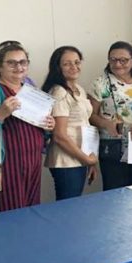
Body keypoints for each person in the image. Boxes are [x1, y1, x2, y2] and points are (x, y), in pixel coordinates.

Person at [0, 42, 55, 211]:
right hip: (6, 168)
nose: (19, 67)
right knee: (11, 219)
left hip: (32, 164)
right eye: (11, 62)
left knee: (31, 214)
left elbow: (34, 131)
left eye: (23, 62)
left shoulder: (30, 91)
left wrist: (48, 126)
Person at [88, 41, 132, 190]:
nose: (118, 64)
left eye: (123, 60)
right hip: (113, 147)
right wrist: (106, 124)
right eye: (113, 60)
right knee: (115, 192)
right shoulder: (101, 84)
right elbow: (90, 116)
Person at [43, 46, 97, 200]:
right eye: (67, 64)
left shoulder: (79, 89)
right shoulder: (59, 92)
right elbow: (59, 136)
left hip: (80, 157)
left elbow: (84, 124)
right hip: (66, 161)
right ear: (57, 67)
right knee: (68, 209)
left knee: (75, 207)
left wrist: (91, 160)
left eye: (77, 62)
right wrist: (86, 159)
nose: (74, 67)